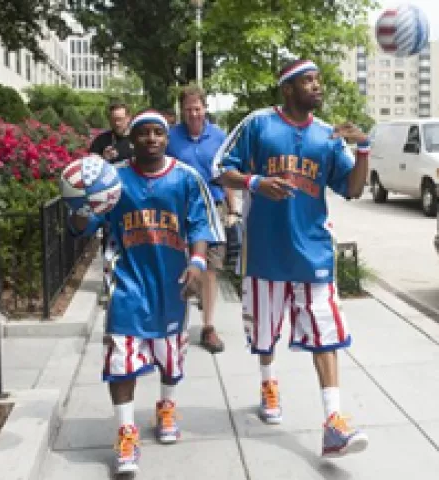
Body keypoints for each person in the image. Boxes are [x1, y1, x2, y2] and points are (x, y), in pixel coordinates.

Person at [212, 59, 371, 458]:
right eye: (308, 81)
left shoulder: (327, 135)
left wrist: (364, 148)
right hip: (265, 253)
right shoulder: (258, 125)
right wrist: (255, 182)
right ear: (288, 88)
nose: (317, 86)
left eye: (318, 80)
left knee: (326, 335)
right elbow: (219, 169)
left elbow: (351, 189)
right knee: (265, 336)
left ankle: (334, 423)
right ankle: (269, 382)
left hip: (313, 253)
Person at [67, 109, 224, 474]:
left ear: (166, 139)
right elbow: (86, 224)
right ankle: (126, 431)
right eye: (144, 133)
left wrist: (198, 264)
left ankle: (167, 407)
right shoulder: (114, 180)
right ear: (132, 139)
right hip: (129, 283)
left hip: (172, 284)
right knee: (121, 361)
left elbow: (200, 226)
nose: (151, 138)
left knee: (171, 360)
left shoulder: (185, 178)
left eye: (158, 133)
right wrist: (77, 204)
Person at [167, 85, 238, 354]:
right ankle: (176, 322)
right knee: (180, 265)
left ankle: (208, 326)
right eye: (188, 109)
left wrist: (232, 209)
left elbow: (226, 174)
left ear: (205, 108)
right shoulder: (172, 138)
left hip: (212, 209)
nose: (194, 114)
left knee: (211, 268)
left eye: (198, 108)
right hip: (179, 209)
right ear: (182, 111)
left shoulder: (218, 136)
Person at [88, 102, 135, 304]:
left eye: (121, 118)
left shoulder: (138, 139)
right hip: (111, 203)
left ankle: (131, 285)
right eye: (114, 119)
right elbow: (89, 171)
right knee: (109, 244)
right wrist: (102, 160)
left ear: (128, 118)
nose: (117, 122)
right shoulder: (102, 141)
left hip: (134, 200)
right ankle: (108, 287)